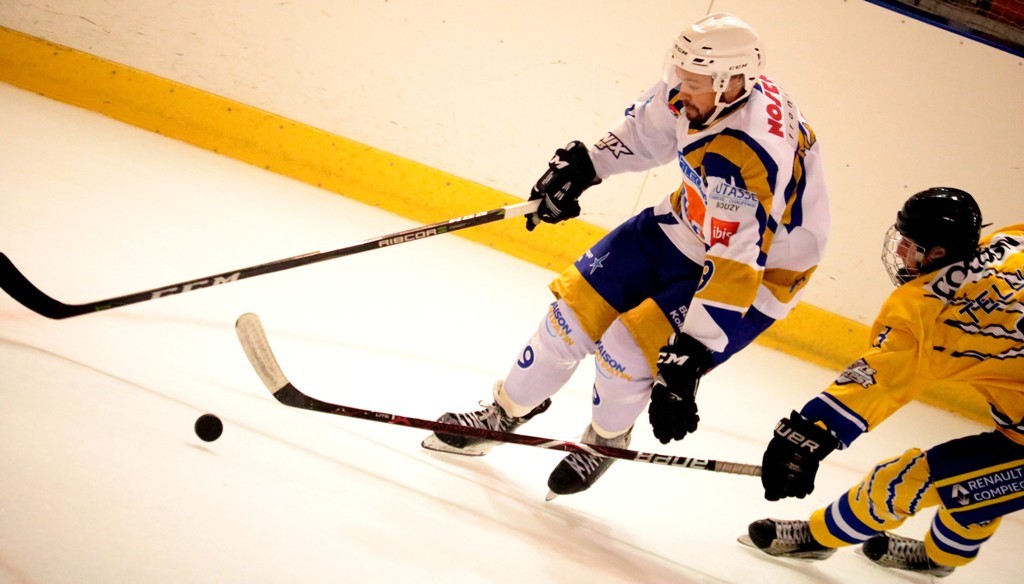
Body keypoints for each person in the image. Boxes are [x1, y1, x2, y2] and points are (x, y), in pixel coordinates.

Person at [422, 12, 830, 499]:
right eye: (679, 76)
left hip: (762, 271)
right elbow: (646, 134)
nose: (679, 91)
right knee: (568, 318)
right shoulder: (705, 88)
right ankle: (505, 411)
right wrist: (586, 167)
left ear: (731, 83)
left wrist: (691, 353)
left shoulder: (751, 152)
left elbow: (736, 261)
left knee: (626, 350)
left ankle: (606, 439)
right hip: (689, 221)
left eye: (692, 84)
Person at [745, 188, 1023, 577]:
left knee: (906, 481)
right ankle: (941, 559)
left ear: (938, 253)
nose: (900, 253)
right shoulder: (1012, 243)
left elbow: (874, 381)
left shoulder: (928, 314)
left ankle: (818, 538)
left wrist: (804, 438)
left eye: (910, 246)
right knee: (973, 488)